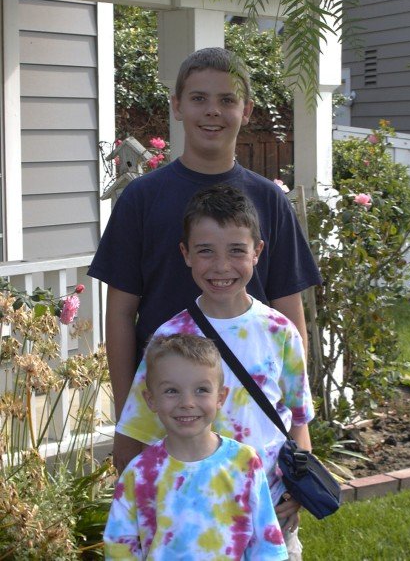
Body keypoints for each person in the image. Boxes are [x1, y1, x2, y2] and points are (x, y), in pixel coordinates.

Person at [88, 47, 321, 470]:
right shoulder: (142, 199)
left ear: (246, 111)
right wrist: (127, 421)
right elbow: (120, 314)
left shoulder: (270, 201)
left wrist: (297, 441)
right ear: (177, 106)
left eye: (227, 99)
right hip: (169, 421)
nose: (212, 111)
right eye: (198, 98)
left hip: (255, 430)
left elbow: (290, 313)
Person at [117, 185, 315, 561]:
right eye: (206, 250)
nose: (221, 266)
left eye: (237, 250)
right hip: (192, 520)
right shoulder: (169, 339)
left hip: (270, 513)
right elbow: (144, 432)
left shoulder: (280, 332)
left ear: (257, 252)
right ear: (186, 254)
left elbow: (298, 420)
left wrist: (297, 489)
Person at [104, 333, 288, 561]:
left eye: (201, 390)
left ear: (221, 397)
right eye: (171, 391)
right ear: (151, 400)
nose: (187, 403)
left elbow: (267, 546)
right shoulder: (140, 472)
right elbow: (119, 547)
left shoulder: (244, 463)